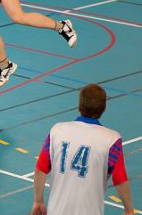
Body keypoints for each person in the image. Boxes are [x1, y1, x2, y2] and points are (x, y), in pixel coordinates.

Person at [31, 84, 134, 215]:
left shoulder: (57, 131)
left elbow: (40, 169)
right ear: (104, 108)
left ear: (79, 106)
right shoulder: (112, 139)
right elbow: (120, 179)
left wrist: (38, 201)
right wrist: (128, 209)